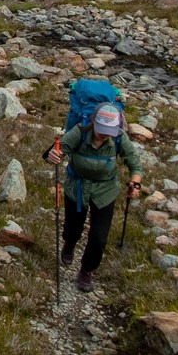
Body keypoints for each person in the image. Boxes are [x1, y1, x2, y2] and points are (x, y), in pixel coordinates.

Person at [48, 102, 143, 292]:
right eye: (102, 130)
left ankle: (86, 270)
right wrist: (53, 155)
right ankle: (69, 243)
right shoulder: (80, 132)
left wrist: (135, 182)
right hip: (77, 187)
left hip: (105, 192)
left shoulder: (119, 138)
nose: (105, 134)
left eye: (109, 131)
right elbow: (58, 150)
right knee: (73, 229)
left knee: (99, 238)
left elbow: (134, 161)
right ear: (93, 123)